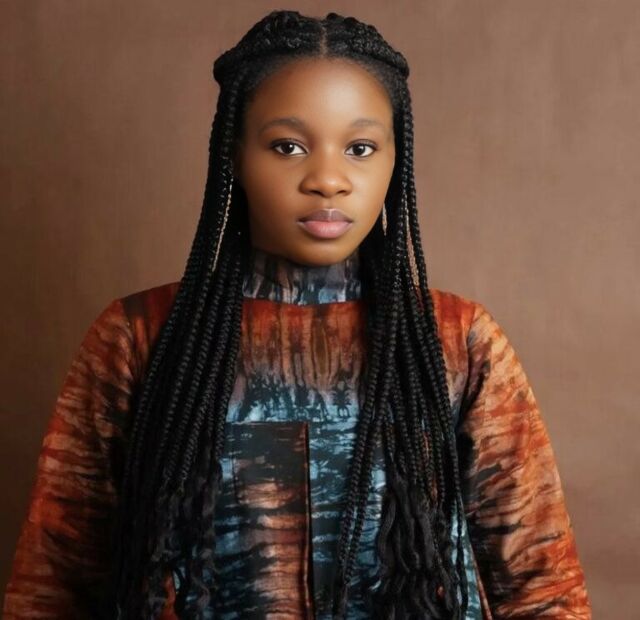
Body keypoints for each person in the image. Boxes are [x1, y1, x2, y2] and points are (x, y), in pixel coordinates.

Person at [3, 9, 591, 620]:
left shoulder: (456, 340)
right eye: (288, 146)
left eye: (360, 148)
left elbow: (541, 581)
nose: (328, 179)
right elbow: (57, 577)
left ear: (396, 160)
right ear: (234, 155)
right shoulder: (142, 336)